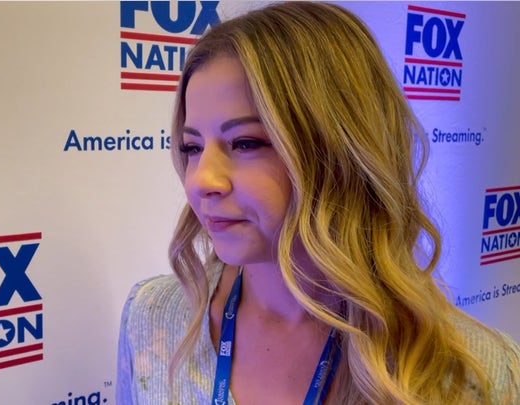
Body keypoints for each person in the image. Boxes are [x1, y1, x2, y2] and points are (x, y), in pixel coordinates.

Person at [116, 2, 520, 404]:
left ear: (345, 152)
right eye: (192, 147)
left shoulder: (478, 373)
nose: (201, 180)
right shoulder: (152, 318)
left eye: (246, 143)